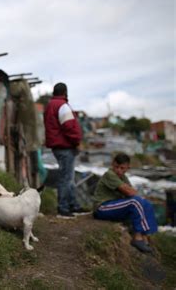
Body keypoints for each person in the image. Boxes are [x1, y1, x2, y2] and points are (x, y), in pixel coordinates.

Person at [93, 153, 157, 253]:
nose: (119, 170)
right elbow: (130, 192)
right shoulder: (110, 174)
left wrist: (138, 197)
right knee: (136, 202)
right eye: (116, 167)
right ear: (112, 164)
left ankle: (145, 235)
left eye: (122, 168)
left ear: (128, 167)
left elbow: (132, 193)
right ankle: (138, 237)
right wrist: (134, 194)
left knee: (146, 203)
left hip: (115, 206)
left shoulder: (124, 178)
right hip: (102, 208)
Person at [44, 82, 86, 219]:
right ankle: (63, 208)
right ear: (65, 93)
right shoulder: (62, 105)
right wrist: (77, 141)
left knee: (68, 177)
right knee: (66, 179)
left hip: (57, 147)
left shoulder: (50, 105)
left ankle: (73, 205)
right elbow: (69, 126)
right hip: (65, 146)